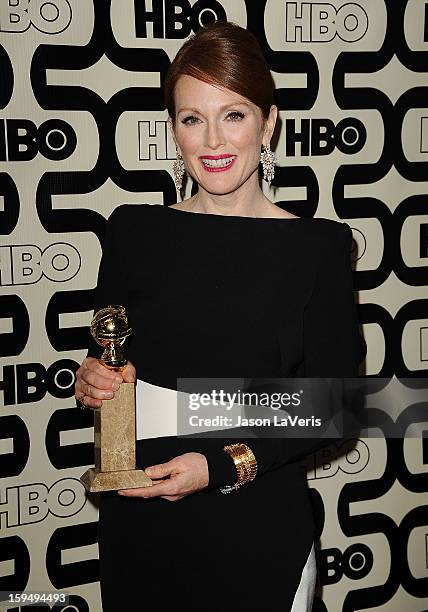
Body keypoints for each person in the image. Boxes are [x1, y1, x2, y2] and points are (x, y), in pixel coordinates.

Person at [74, 20, 360, 612]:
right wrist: (96, 385)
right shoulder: (132, 234)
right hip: (141, 526)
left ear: (269, 123)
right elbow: (118, 372)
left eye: (233, 115)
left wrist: (216, 467)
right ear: (173, 130)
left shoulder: (318, 250)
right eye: (191, 118)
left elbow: (336, 403)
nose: (213, 140)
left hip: (257, 530)